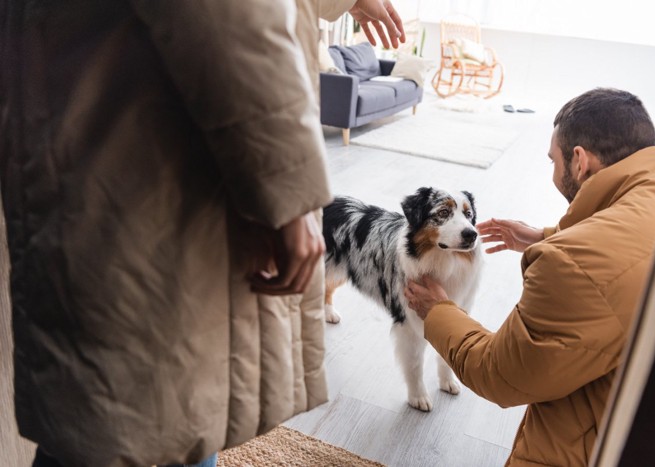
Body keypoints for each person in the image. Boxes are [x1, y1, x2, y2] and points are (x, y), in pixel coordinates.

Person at [0, 0, 403, 466]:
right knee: (126, 409)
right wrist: (290, 195)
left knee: (124, 401)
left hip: (81, 138)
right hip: (153, 159)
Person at [404, 88, 655, 466]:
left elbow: (500, 374)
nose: (553, 171)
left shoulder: (568, 265)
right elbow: (631, 248)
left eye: (553, 161)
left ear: (580, 162)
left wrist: (438, 310)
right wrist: (548, 235)